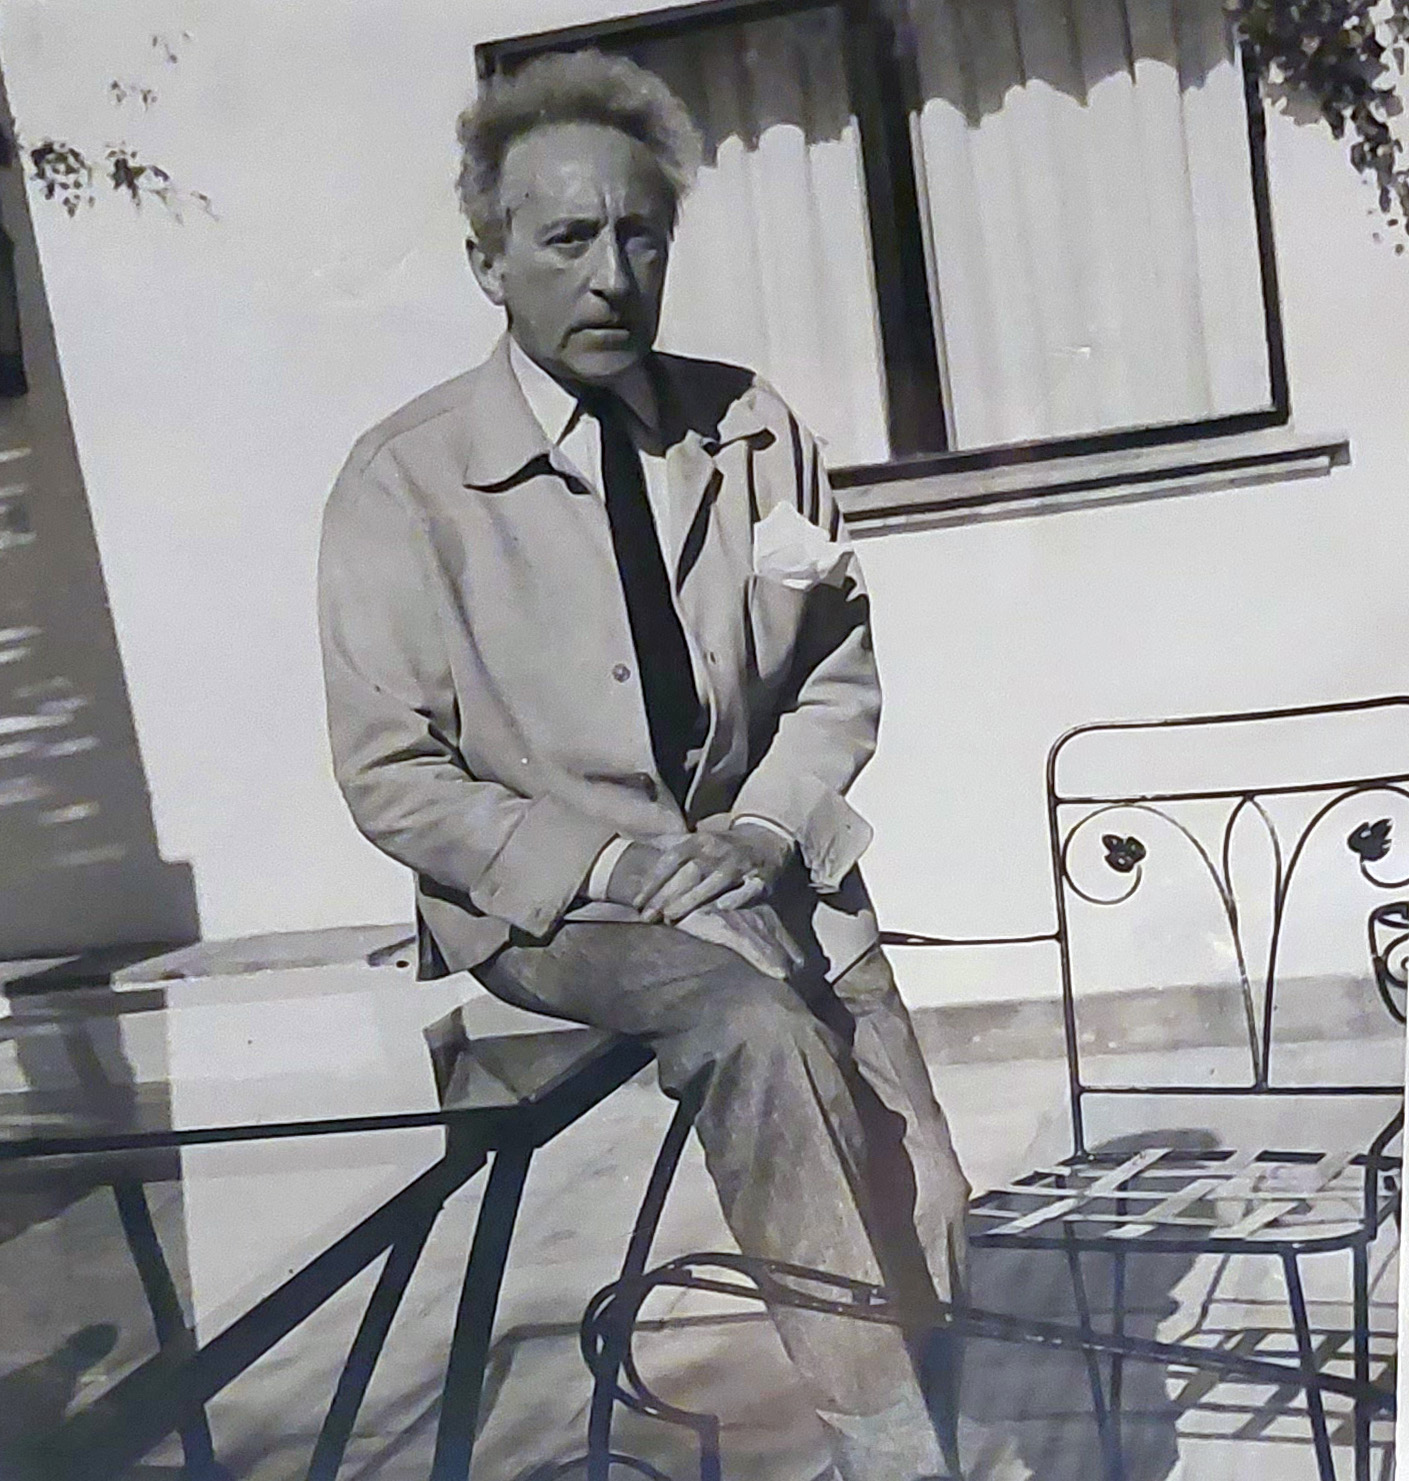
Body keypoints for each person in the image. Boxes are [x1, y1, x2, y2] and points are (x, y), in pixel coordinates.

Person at [318, 48, 993, 1481]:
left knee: (923, 1179)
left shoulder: (752, 430)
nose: (612, 274)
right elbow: (394, 773)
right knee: (751, 1028)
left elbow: (832, 676)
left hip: (757, 863)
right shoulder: (402, 483)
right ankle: (902, 1457)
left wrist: (757, 837)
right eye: (566, 239)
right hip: (563, 906)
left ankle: (920, 1415)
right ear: (486, 259)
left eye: (641, 235)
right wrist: (622, 866)